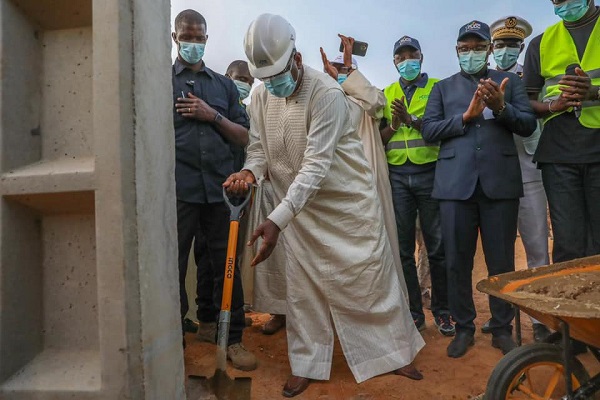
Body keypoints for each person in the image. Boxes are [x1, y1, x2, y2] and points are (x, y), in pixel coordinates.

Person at [225, 13, 425, 398]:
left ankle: (393, 353)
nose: (272, 85)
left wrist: (276, 219)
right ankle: (308, 363)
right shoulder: (261, 94)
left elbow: (316, 165)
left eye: (277, 76)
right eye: (264, 79)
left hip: (346, 206)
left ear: (297, 59)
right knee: (304, 293)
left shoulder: (326, 94)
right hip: (297, 211)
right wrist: (250, 173)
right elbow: (258, 148)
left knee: (367, 282)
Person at [422, 20, 537, 358]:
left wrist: (501, 107)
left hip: (499, 185)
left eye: (477, 47)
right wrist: (467, 117)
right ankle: (464, 327)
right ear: (456, 50)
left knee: (501, 261)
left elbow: (528, 124)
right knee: (458, 260)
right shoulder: (442, 88)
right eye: (464, 47)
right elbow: (429, 130)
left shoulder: (511, 83)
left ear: (488, 49)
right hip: (455, 188)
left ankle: (501, 328)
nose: (470, 52)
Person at [171, 9, 256, 370]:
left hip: (221, 192)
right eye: (185, 36)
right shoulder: (160, 81)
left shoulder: (222, 86)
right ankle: (172, 341)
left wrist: (212, 114)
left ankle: (229, 337)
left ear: (206, 39)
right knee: (171, 266)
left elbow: (243, 134)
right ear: (175, 38)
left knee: (226, 266)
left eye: (198, 37)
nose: (192, 42)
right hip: (178, 191)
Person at [320, 34, 409, 299]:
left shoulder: (369, 98)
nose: (340, 74)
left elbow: (377, 105)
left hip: (369, 180)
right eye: (335, 70)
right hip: (337, 184)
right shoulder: (325, 100)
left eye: (346, 70)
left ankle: (386, 302)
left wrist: (348, 67)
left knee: (378, 244)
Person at [479, 16, 551, 343]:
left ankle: (541, 318)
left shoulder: (530, 79)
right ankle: (502, 320)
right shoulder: (481, 80)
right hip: (495, 176)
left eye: (512, 44)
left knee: (537, 248)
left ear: (521, 46)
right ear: (491, 48)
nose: (505, 50)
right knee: (500, 253)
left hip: (529, 171)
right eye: (500, 44)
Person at [379, 35, 453, 336]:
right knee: (404, 249)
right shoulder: (386, 93)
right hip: (397, 177)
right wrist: (395, 124)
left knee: (436, 247)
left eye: (411, 55)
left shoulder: (438, 88)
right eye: (400, 57)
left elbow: (442, 131)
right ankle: (412, 312)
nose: (406, 61)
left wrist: (412, 119)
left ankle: (443, 311)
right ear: (394, 62)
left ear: (421, 57)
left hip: (429, 173)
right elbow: (379, 139)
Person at [523, 0, 600, 267]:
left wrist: (595, 93)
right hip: (559, 154)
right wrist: (551, 105)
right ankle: (569, 307)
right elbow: (526, 102)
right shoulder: (540, 43)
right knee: (567, 243)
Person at [192, 59, 255, 334]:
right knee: (206, 255)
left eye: (249, 81)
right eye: (239, 78)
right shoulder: (215, 105)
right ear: (227, 77)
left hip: (237, 193)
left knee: (230, 257)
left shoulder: (245, 114)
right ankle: (207, 316)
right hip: (211, 189)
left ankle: (226, 316)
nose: (244, 84)